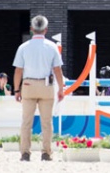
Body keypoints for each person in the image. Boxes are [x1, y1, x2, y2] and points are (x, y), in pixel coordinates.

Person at [12, 15, 64, 162]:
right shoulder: (52, 47)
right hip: (46, 85)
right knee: (46, 122)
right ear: (46, 30)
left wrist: (17, 90)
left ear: (31, 29)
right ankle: (46, 153)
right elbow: (58, 70)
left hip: (28, 85)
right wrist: (61, 88)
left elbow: (18, 71)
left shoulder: (23, 47)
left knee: (26, 121)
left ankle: (25, 153)